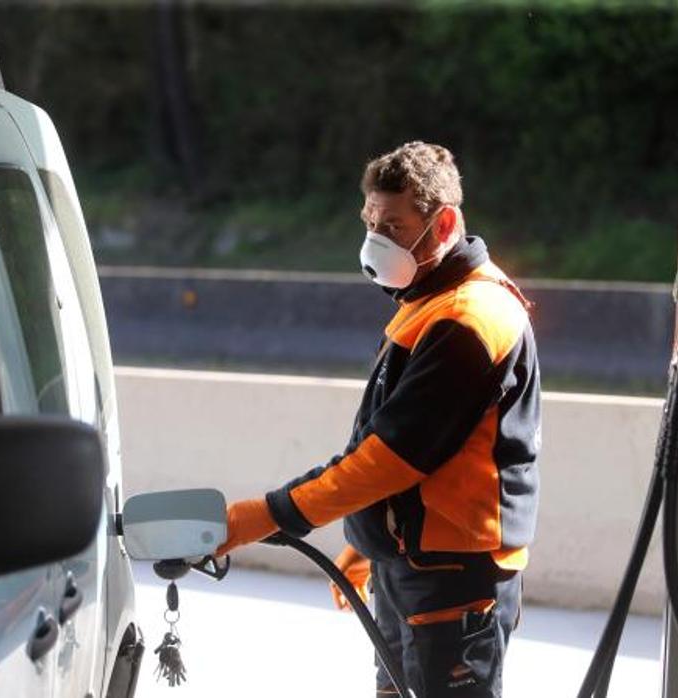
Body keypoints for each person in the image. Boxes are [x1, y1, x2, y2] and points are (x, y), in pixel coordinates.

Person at [216, 141, 540, 698]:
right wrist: (372, 541)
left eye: (393, 224)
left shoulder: (470, 319)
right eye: (370, 220)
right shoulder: (429, 303)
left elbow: (391, 457)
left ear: (443, 226)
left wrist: (265, 516)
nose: (376, 238)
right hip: (414, 566)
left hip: (453, 579)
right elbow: (402, 442)